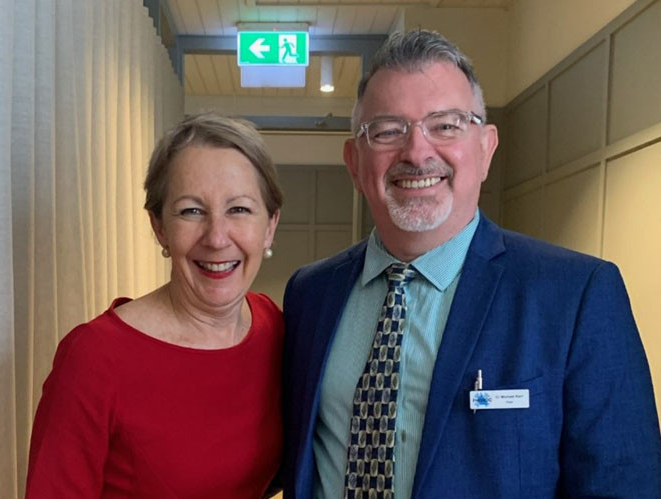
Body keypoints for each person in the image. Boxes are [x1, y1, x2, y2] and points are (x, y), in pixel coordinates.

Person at [282, 30, 661, 499]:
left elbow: (623, 484)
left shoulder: (577, 295)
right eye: (387, 130)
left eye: (446, 125)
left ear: (485, 148)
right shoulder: (309, 295)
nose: (417, 152)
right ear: (355, 162)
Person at [26, 113, 284, 498]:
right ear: (159, 227)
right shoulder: (94, 358)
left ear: (270, 226)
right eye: (191, 211)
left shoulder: (273, 327)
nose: (216, 237)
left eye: (239, 209)